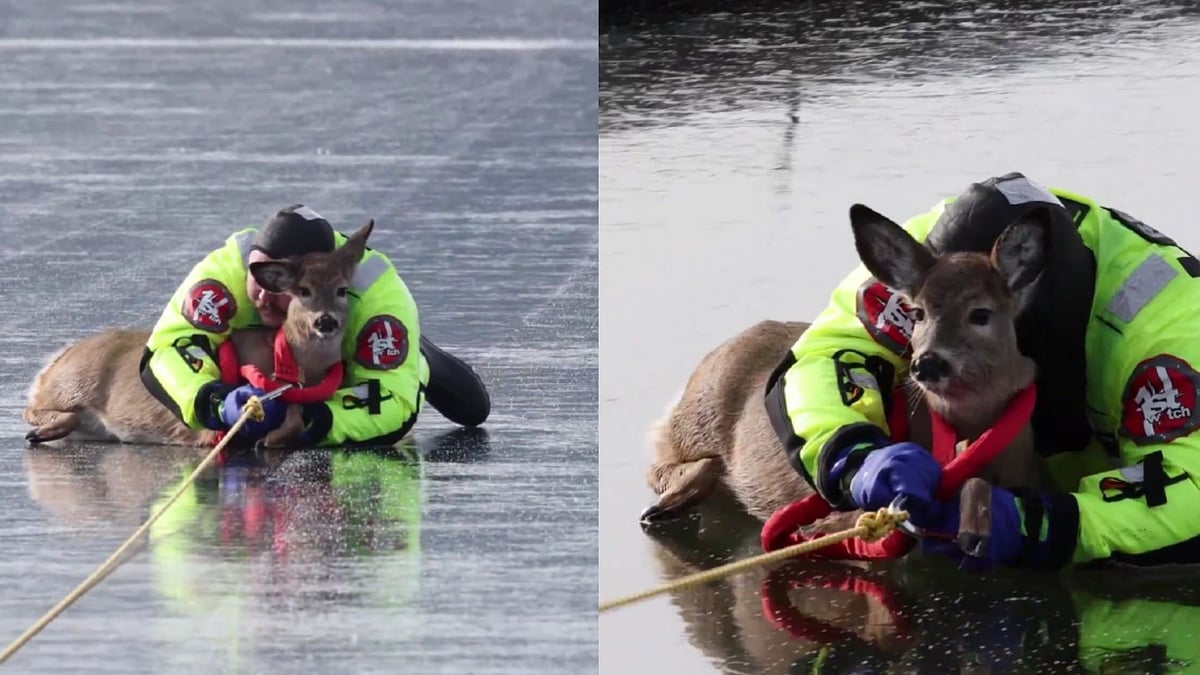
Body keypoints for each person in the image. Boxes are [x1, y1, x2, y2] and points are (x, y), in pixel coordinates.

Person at [765, 171, 1200, 572]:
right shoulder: (930, 258)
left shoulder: (1171, 324)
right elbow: (825, 359)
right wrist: (856, 458)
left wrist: (1045, 526)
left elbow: (1190, 485)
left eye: (981, 319)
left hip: (1103, 450)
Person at [139, 204, 490, 447]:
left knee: (472, 408)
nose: (262, 298)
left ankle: (417, 352)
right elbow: (168, 349)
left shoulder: (376, 296)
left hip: (349, 333)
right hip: (274, 341)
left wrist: (313, 420)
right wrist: (216, 403)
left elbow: (392, 402)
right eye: (260, 279)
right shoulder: (227, 271)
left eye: (281, 288)